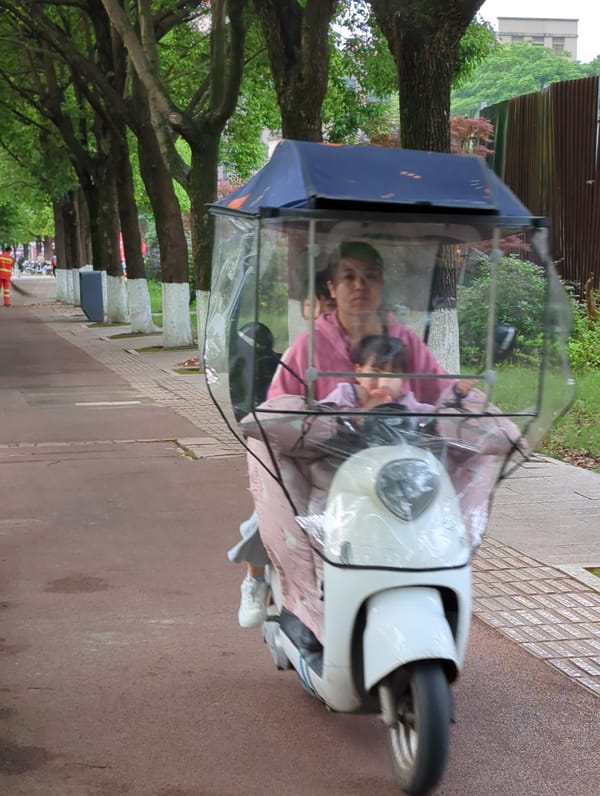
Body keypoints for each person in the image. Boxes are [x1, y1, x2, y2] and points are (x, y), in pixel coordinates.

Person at [240, 240, 464, 641]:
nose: (360, 285)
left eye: (371, 276)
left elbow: (437, 392)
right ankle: (305, 601)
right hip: (322, 464)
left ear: (382, 284)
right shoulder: (309, 344)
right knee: (284, 507)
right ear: (331, 288)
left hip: (393, 465)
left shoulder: (403, 339)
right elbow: (279, 405)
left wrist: (466, 404)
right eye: (349, 277)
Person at [232, 264, 335, 628]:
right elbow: (276, 413)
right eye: (316, 304)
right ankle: (255, 579)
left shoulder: (363, 349)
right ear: (305, 307)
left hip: (345, 460)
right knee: (266, 520)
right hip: (299, 455)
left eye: (329, 305)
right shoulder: (299, 353)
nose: (324, 312)